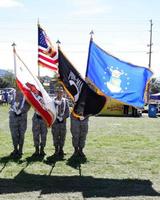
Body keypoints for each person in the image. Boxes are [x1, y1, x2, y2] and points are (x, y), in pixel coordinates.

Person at [9, 88, 30, 158]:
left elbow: (28, 105)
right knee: (14, 134)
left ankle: (20, 150)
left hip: (22, 118)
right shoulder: (13, 93)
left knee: (21, 134)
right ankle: (15, 149)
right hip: (13, 118)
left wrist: (21, 110)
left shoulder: (26, 94)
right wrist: (13, 107)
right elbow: (10, 103)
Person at [51, 88, 70, 157]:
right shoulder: (52, 101)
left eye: (61, 92)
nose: (60, 94)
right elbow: (51, 111)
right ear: (56, 93)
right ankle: (56, 150)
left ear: (63, 93)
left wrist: (62, 117)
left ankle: (61, 149)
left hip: (63, 123)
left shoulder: (65, 101)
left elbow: (68, 112)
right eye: (58, 92)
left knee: (62, 136)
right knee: (55, 136)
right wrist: (56, 117)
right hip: (55, 123)